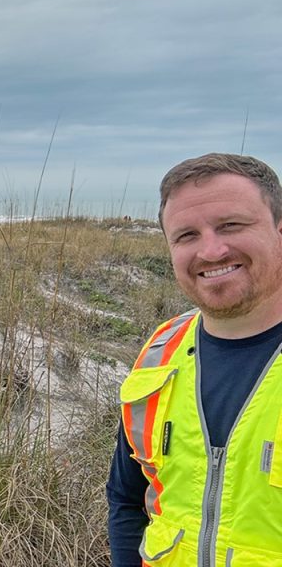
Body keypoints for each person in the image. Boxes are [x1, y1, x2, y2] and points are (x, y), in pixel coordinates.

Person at [107, 153, 282, 565]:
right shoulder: (158, 356)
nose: (212, 250)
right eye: (186, 235)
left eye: (231, 226)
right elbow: (127, 499)